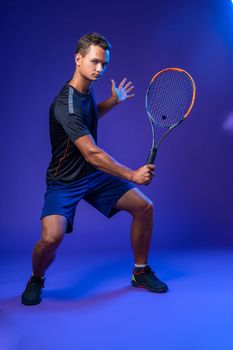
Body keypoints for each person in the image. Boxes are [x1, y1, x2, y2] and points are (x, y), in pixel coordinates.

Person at [21, 32, 168, 306]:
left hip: (93, 176)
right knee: (50, 239)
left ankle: (140, 272)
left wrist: (112, 101)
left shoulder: (86, 91)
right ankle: (36, 278)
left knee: (145, 208)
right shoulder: (66, 104)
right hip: (64, 181)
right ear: (78, 59)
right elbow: (91, 152)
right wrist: (132, 175)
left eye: (104, 64)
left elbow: (89, 118)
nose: (99, 69)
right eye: (94, 62)